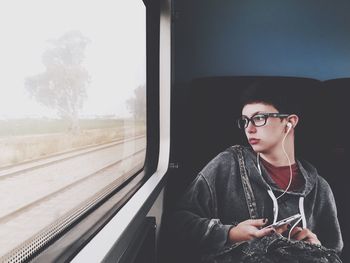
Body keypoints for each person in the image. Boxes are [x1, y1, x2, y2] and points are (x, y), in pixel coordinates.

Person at [171, 80, 343, 262]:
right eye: (245, 120)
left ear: (289, 122)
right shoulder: (227, 166)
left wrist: (316, 247)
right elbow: (178, 223)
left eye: (259, 118)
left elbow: (335, 254)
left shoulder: (320, 188)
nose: (249, 128)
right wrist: (232, 233)